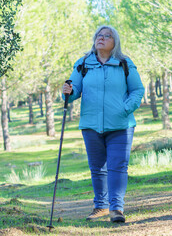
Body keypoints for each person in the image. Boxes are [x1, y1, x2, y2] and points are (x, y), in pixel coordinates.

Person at [62, 25, 144, 223]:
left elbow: (137, 90)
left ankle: (116, 208)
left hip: (121, 125)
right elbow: (73, 92)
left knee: (118, 166)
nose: (102, 38)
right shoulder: (83, 64)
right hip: (91, 124)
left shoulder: (124, 63)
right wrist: (67, 91)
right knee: (97, 167)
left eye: (108, 36)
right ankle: (100, 206)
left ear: (115, 42)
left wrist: (124, 109)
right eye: (99, 35)